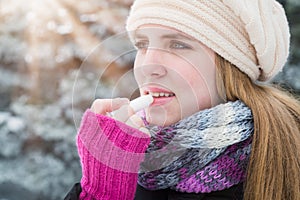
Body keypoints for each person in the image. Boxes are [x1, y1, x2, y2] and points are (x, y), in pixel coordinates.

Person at [64, 0, 300, 199]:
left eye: (178, 45)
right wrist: (99, 190)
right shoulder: (131, 162)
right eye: (142, 44)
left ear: (231, 66)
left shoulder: (287, 158)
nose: (147, 66)